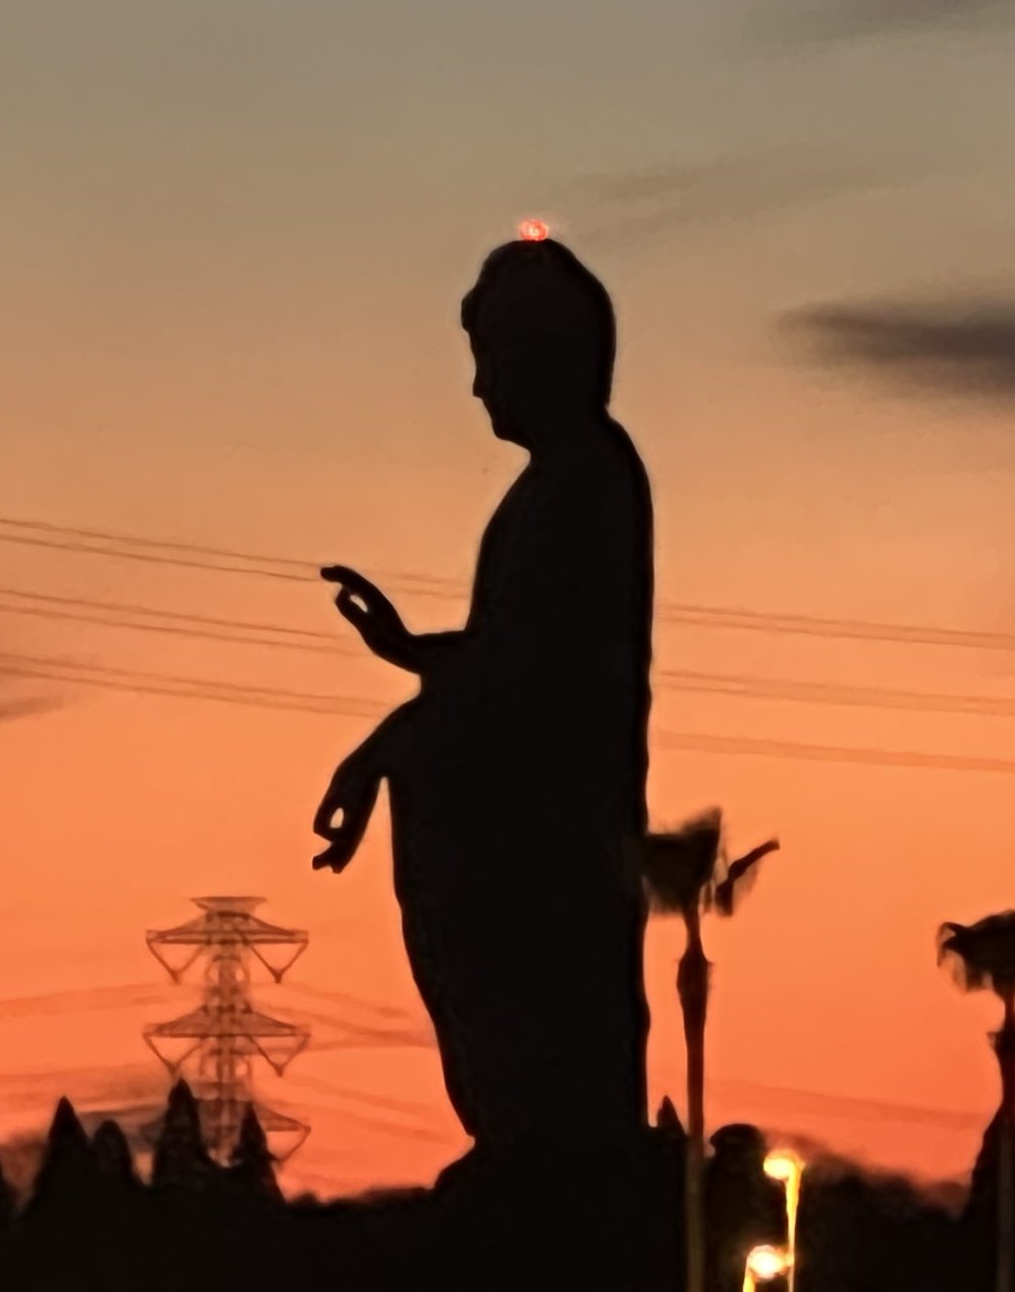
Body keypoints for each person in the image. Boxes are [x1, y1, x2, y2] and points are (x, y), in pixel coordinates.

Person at [310, 235, 657, 1274]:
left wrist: (384, 744)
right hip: (541, 834)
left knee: (539, 1034)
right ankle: (526, 1151)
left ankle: (545, 1159)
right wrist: (409, 657)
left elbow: (539, 680)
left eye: (488, 359)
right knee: (512, 1047)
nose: (476, 388)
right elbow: (514, 654)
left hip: (552, 853)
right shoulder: (566, 484)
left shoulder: (585, 483)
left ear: (545, 355)